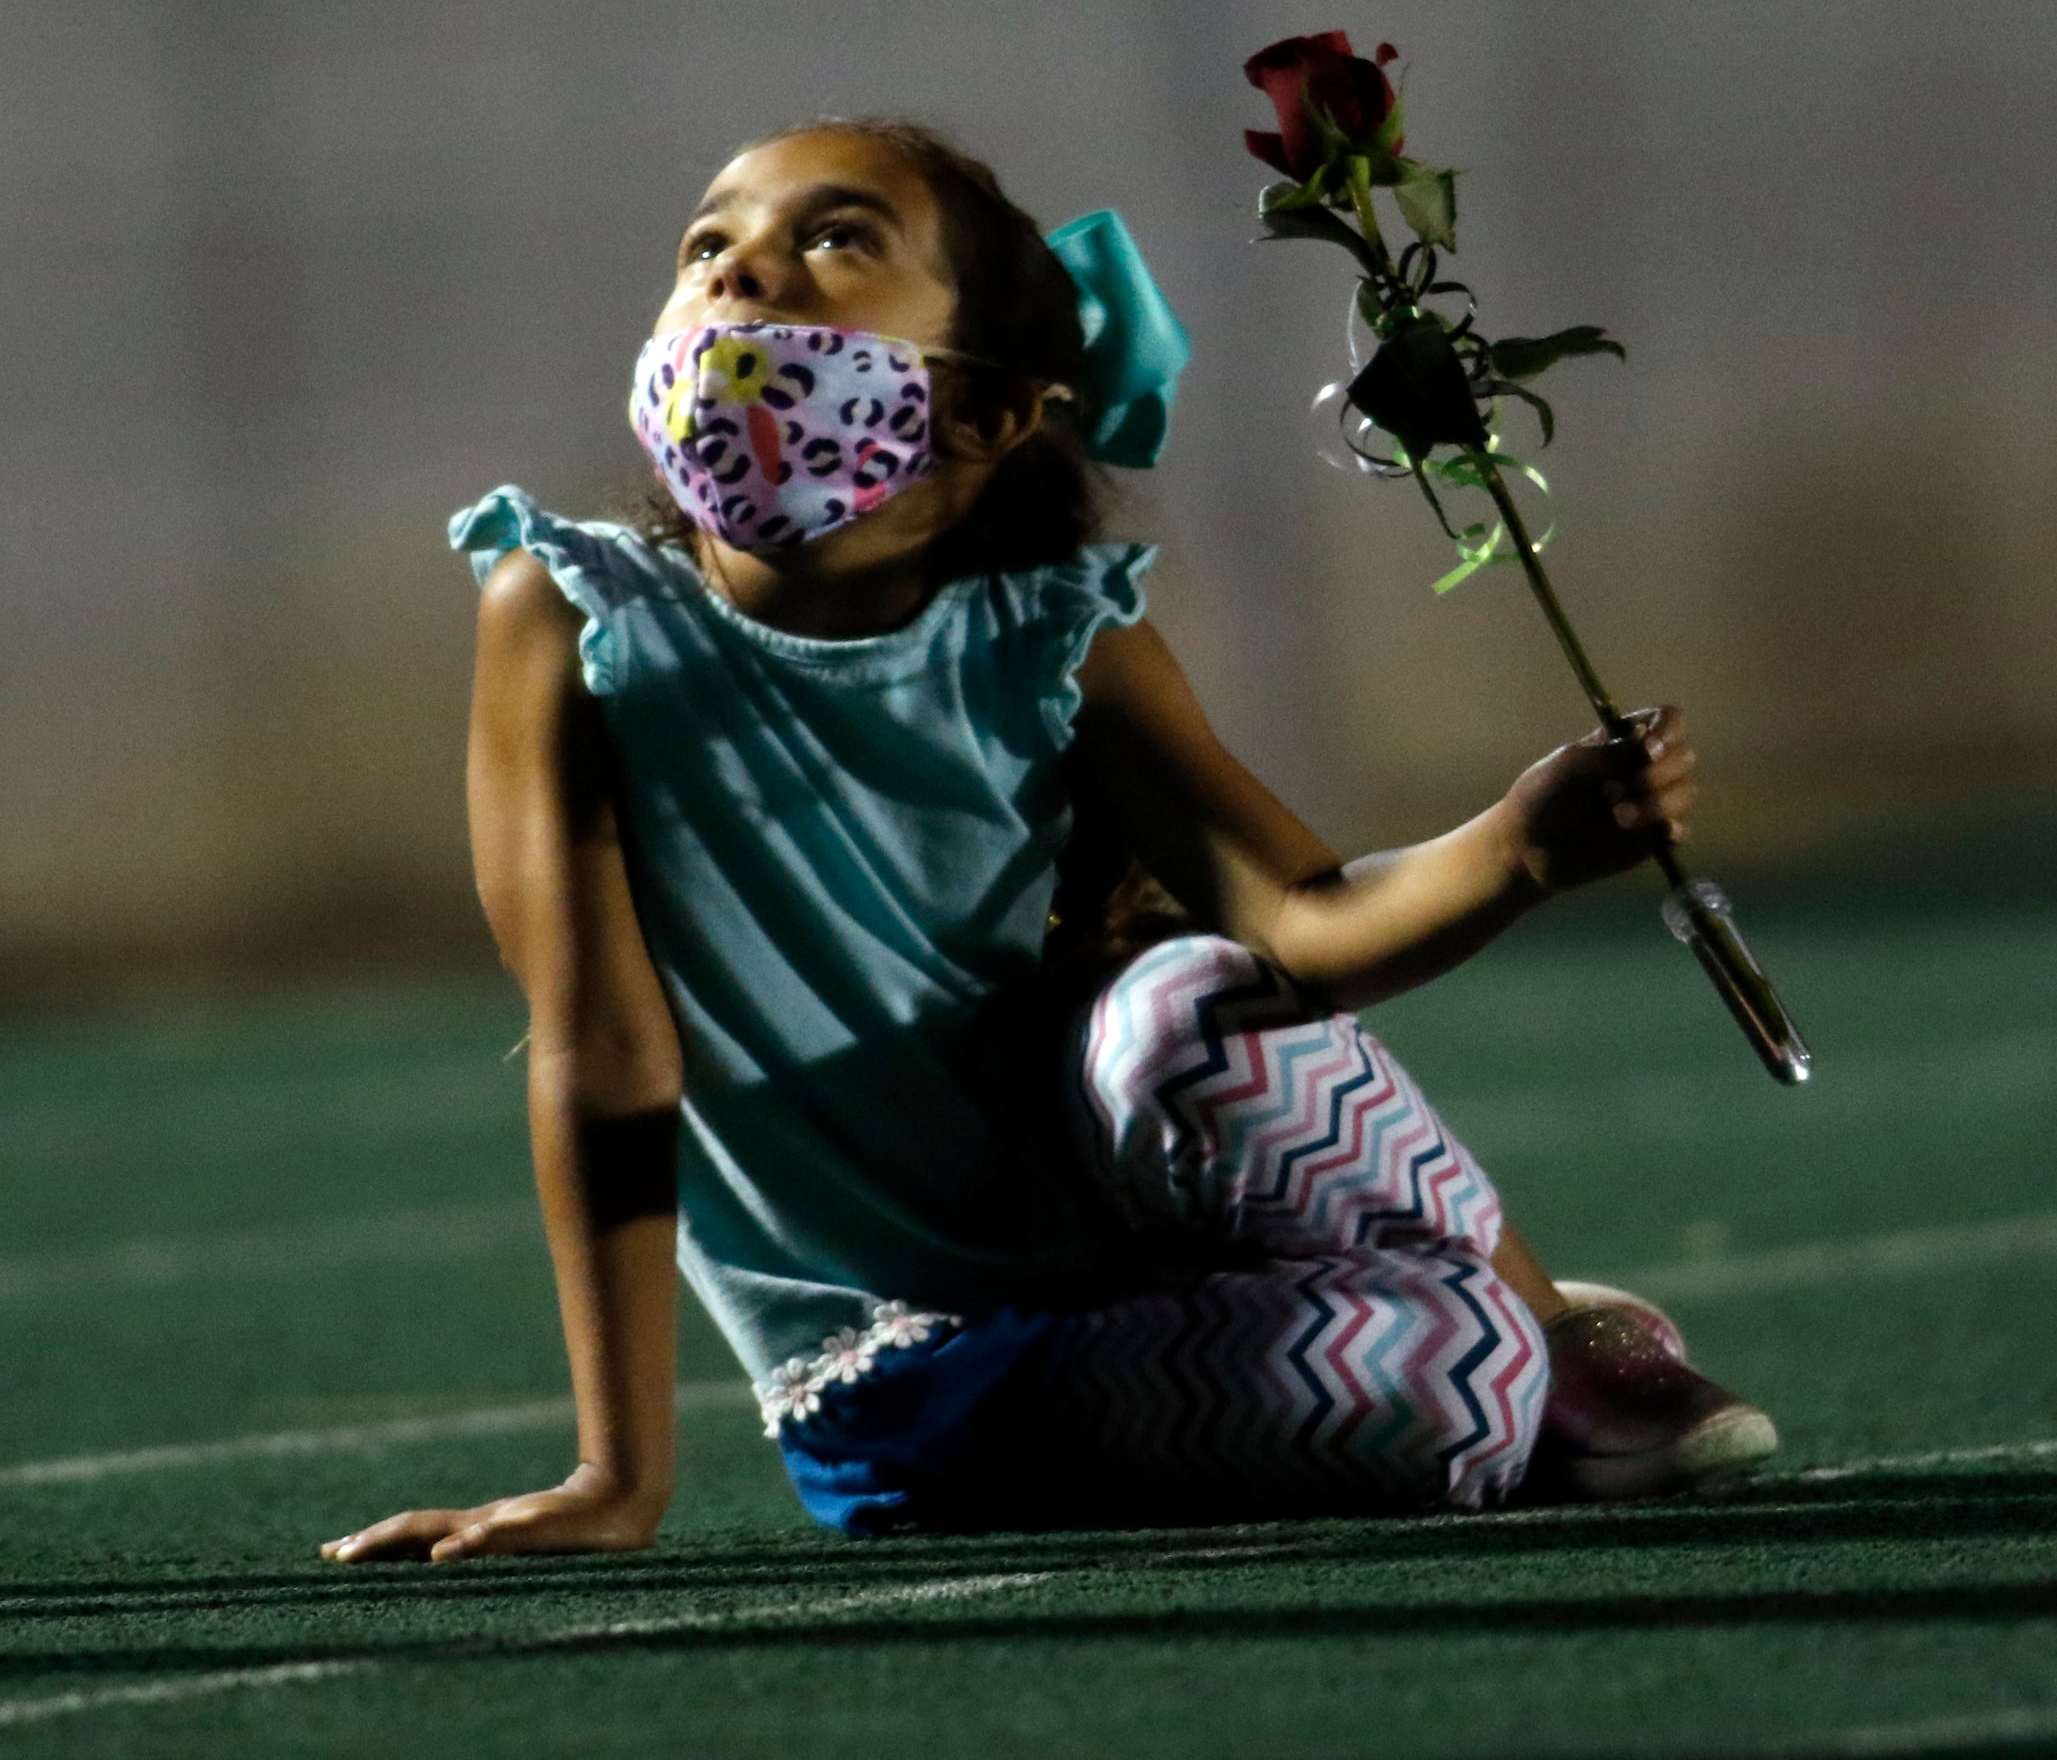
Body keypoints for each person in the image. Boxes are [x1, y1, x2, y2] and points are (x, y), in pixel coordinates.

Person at [320, 119, 1775, 1564]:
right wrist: (612, 1479)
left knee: (1192, 1002)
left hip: (1131, 1260)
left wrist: (1515, 846)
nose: (740, 270)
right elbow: (605, 1054)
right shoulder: (572, 618)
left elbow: (1299, 917)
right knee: (1446, 1383)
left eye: (832, 238)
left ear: (989, 411)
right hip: (913, 1379)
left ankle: (1542, 1330)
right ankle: (1501, 1341)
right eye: (707, 244)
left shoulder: (1057, 636)